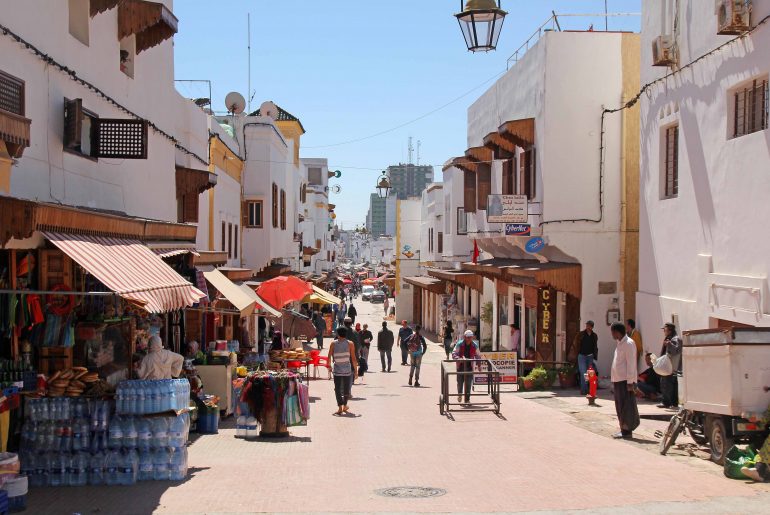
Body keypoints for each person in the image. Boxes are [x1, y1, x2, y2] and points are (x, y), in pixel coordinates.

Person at [610, 322, 639, 439]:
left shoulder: (629, 343)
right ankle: (623, 428)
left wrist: (630, 382)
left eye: (612, 332)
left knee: (625, 406)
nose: (611, 334)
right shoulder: (619, 343)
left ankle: (627, 431)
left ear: (617, 332)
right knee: (619, 405)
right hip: (618, 379)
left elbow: (631, 364)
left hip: (625, 381)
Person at [328, 327, 358, 416]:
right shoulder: (350, 343)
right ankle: (344, 405)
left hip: (337, 370)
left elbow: (329, 356)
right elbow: (353, 358)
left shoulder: (333, 343)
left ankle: (340, 407)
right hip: (347, 370)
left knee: (337, 389)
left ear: (337, 334)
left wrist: (329, 366)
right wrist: (356, 371)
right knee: (346, 389)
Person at [452, 330, 481, 404]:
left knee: (468, 383)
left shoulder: (474, 345)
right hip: (460, 366)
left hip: (469, 367)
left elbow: (478, 355)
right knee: (460, 382)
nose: (469, 339)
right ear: (464, 337)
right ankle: (459, 394)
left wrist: (479, 365)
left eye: (470, 337)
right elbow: (454, 353)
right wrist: (458, 358)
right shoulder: (459, 344)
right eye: (468, 337)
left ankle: (467, 399)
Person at [658, 322, 682, 409]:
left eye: (665, 330)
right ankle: (671, 403)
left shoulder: (675, 339)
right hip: (669, 366)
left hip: (671, 367)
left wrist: (669, 344)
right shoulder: (670, 338)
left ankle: (668, 403)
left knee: (667, 384)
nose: (664, 331)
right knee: (668, 384)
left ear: (669, 330)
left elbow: (676, 350)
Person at [574, 321, 598, 395]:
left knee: (589, 373)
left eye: (589, 326)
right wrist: (577, 352)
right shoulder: (581, 334)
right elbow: (576, 343)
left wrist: (595, 355)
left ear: (592, 327)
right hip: (582, 356)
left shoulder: (594, 335)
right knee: (583, 372)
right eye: (587, 325)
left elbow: (595, 346)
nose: (588, 327)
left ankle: (587, 389)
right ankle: (583, 390)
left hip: (590, 356)